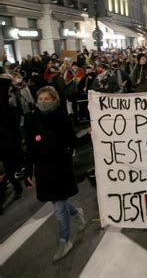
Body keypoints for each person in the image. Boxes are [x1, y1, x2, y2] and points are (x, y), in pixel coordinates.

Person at [24, 86, 86, 260]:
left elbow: (73, 142)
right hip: (43, 170)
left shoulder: (62, 118)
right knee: (56, 202)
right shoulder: (32, 119)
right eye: (40, 99)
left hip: (61, 168)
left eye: (47, 99)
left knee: (59, 207)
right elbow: (29, 149)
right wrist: (28, 171)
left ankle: (64, 240)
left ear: (55, 100)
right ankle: (76, 212)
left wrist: (89, 136)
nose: (43, 102)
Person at [0, 76, 24, 214]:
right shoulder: (5, 105)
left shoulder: (5, 105)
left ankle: (14, 188)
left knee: (7, 170)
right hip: (7, 144)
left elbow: (13, 125)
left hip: (6, 144)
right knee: (7, 170)